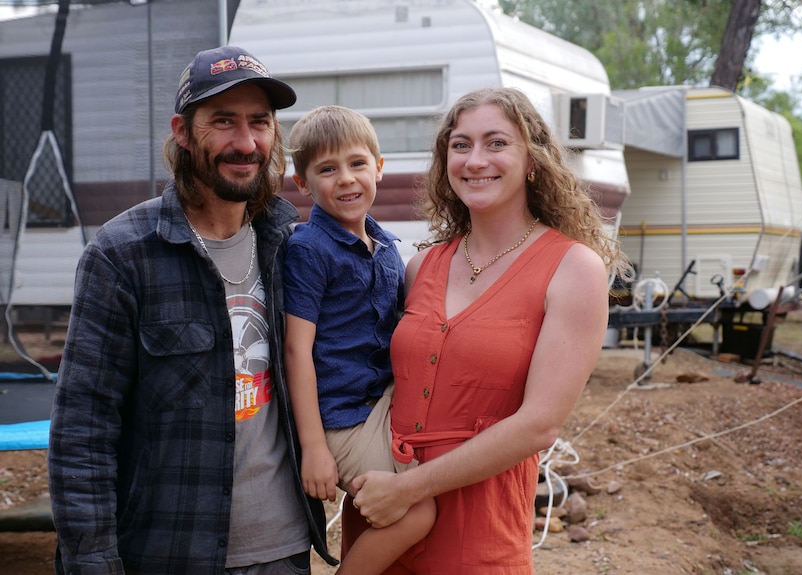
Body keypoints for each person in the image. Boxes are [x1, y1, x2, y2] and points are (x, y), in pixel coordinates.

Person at [48, 46, 338, 575]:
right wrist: (92, 560)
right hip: (168, 552)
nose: (246, 143)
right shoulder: (122, 255)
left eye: (260, 123)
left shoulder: (289, 242)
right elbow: (81, 435)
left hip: (284, 549)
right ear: (183, 131)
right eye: (223, 122)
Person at [346, 86, 630, 574]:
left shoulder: (573, 268)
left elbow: (540, 423)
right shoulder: (419, 267)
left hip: (476, 527)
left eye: (496, 143)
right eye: (461, 145)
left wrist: (408, 490)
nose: (476, 160)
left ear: (533, 160)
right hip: (383, 518)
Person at [282, 105, 436, 575]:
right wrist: (313, 448)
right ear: (303, 183)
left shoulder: (388, 246)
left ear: (379, 168)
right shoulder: (308, 249)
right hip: (342, 416)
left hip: (386, 402)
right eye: (327, 169)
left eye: (357, 164)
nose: (346, 179)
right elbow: (296, 350)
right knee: (417, 509)